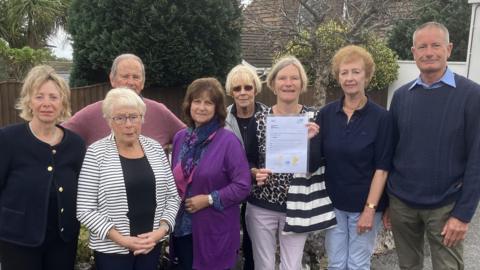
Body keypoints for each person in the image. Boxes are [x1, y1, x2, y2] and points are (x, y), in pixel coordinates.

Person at [385, 21, 480, 269]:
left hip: (446, 206)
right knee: (408, 266)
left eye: (435, 45)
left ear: (448, 49)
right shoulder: (402, 96)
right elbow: (389, 151)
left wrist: (464, 213)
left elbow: (477, 158)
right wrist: (387, 203)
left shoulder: (472, 95)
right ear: (414, 52)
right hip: (402, 204)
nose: (429, 52)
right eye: (422, 46)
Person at [76, 88, 180, 270]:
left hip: (151, 246)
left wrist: (160, 232)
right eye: (120, 118)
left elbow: (173, 197)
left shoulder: (155, 149)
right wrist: (122, 239)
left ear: (142, 118)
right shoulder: (96, 153)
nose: (128, 124)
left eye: (134, 117)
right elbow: (85, 209)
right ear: (109, 120)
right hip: (112, 251)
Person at [309, 45, 393, 269]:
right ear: (338, 77)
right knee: (336, 263)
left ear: (367, 75)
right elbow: (312, 163)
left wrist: (370, 209)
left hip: (364, 206)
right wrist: (308, 140)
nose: (350, 78)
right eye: (344, 72)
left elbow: (382, 169)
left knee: (357, 264)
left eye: (356, 72)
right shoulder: (326, 114)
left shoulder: (382, 118)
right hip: (333, 205)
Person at [0, 65, 85, 270]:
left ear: (62, 101)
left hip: (63, 240)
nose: (46, 103)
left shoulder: (76, 144)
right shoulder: (8, 139)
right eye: (39, 97)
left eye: (53, 97)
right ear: (29, 101)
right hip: (18, 240)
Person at [246, 56, 320, 270]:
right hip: (262, 206)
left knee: (291, 265)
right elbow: (248, 159)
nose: (288, 83)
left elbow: (316, 165)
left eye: (294, 78)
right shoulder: (259, 120)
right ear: (273, 84)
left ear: (302, 84)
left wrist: (312, 141)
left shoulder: (314, 118)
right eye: (283, 78)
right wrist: (254, 172)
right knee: (264, 265)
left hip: (298, 205)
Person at [170, 78, 251, 270]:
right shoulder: (181, 138)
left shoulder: (228, 141)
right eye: (197, 101)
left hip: (214, 230)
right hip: (182, 229)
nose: (201, 107)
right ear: (189, 104)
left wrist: (209, 199)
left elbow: (243, 186)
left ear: (217, 108)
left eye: (208, 102)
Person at [63, 53, 185, 146]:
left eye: (136, 77)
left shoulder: (159, 112)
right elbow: (57, 136)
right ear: (112, 79)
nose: (130, 82)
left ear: (143, 83)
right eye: (125, 76)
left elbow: (192, 140)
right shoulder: (90, 114)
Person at [224, 64, 267, 270]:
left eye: (247, 88)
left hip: (262, 190)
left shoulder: (270, 117)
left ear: (256, 89)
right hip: (231, 190)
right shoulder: (221, 119)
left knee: (255, 246)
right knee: (229, 243)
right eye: (237, 88)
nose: (242, 93)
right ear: (230, 92)